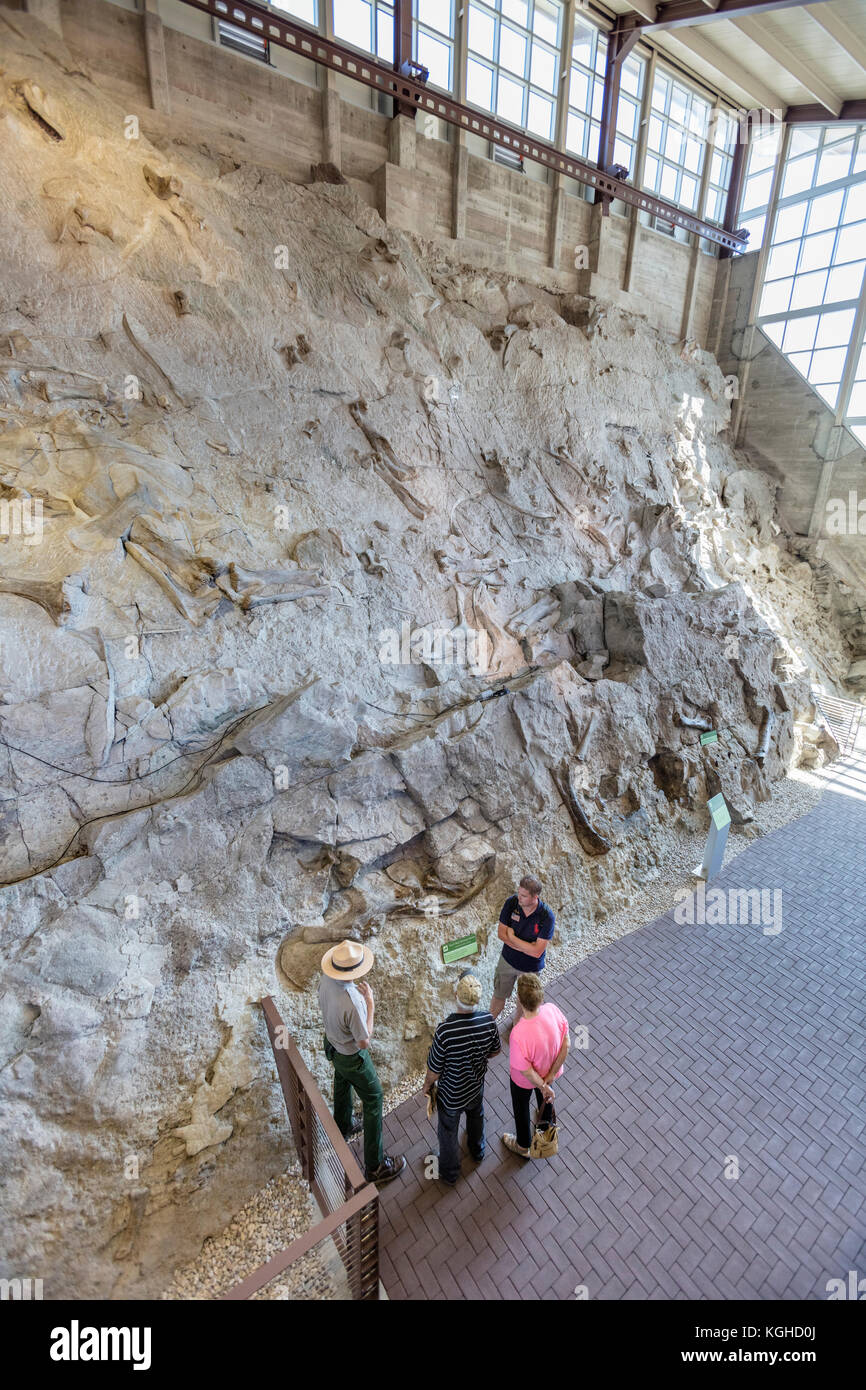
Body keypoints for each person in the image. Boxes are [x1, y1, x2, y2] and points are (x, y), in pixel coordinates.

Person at [317, 939, 405, 1186]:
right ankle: (375, 1166)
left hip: (333, 1045)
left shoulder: (326, 979)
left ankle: (343, 1124)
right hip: (351, 1055)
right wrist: (371, 1004)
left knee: (342, 1080)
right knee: (374, 1098)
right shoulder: (353, 1000)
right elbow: (364, 1040)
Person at [422, 970, 502, 1186]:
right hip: (475, 1087)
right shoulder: (488, 1020)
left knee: (448, 1130)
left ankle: (449, 1171)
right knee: (476, 1116)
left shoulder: (445, 1031)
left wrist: (428, 1086)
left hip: (451, 1094)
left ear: (456, 996)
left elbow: (435, 1069)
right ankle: (478, 1151)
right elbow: (495, 1051)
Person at [502, 974, 570, 1158]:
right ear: (540, 996)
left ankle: (523, 1146)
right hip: (549, 1073)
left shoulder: (518, 1034)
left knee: (521, 1106)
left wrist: (541, 1084)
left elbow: (525, 1070)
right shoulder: (553, 1010)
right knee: (545, 1099)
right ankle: (543, 1130)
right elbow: (567, 1044)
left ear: (520, 1000)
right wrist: (549, 1078)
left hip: (524, 1082)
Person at [489, 875, 555, 1027]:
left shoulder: (546, 916)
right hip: (507, 961)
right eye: (519, 893)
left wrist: (512, 938)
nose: (519, 898)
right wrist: (528, 947)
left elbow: (537, 952)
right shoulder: (511, 903)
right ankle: (486, 1028)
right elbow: (501, 934)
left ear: (535, 897)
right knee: (498, 996)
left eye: (524, 896)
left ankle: (517, 1028)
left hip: (530, 969)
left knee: (523, 1002)